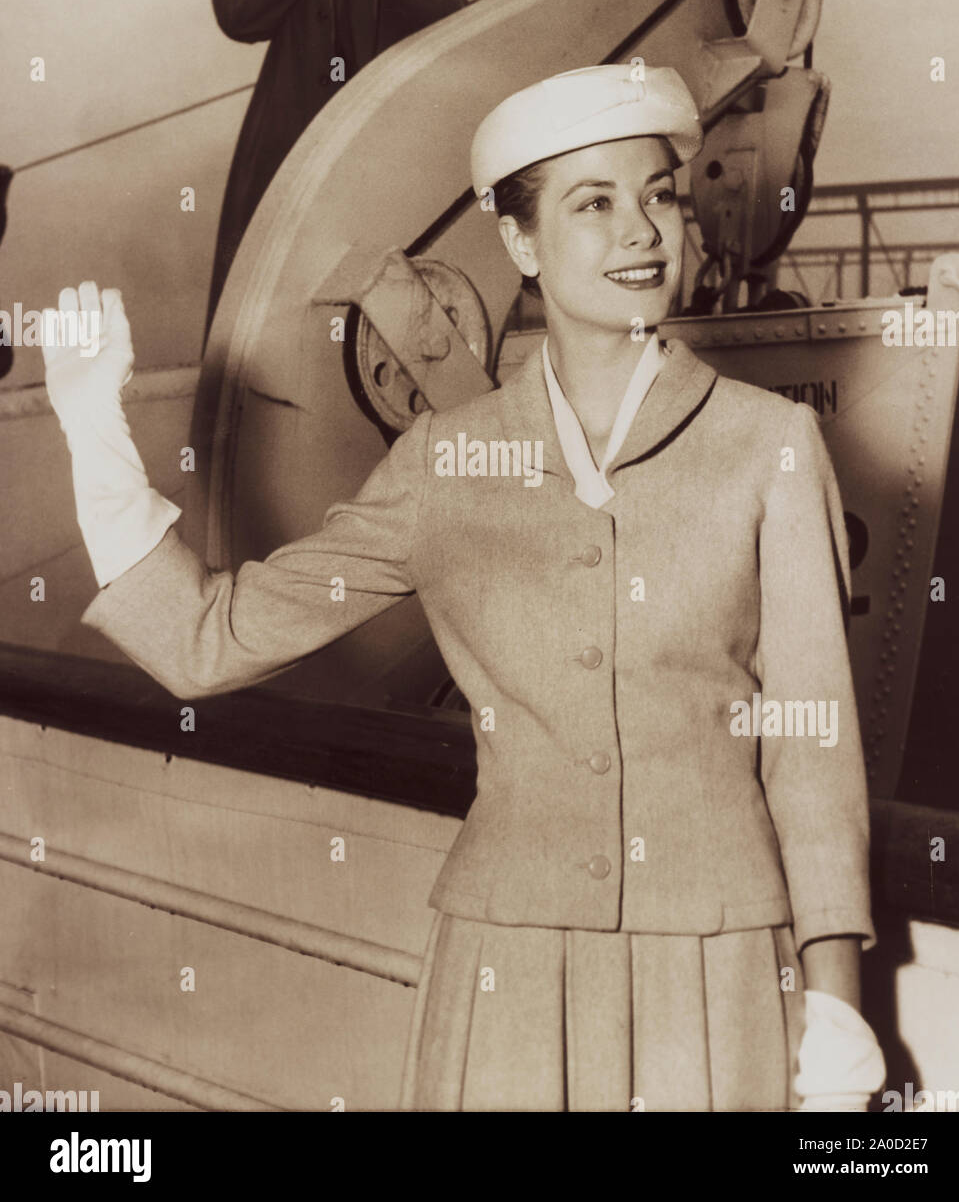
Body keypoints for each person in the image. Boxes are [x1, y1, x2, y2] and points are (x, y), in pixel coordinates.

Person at [42, 65, 886, 1112]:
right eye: (594, 203)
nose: (643, 231)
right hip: (508, 970)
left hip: (713, 968)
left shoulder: (772, 445)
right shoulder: (445, 464)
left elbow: (813, 751)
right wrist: (92, 434)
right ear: (521, 244)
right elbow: (208, 640)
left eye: (657, 193)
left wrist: (839, 1004)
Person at [205, 0, 466, 336]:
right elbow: (237, 16)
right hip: (290, 159)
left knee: (383, 302)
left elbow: (456, 37)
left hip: (384, 157)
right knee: (277, 305)